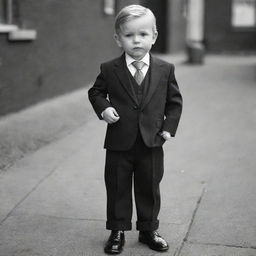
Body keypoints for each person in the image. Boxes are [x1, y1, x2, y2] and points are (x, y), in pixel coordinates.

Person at [88, 4, 182, 254]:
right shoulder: (110, 69)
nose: (136, 41)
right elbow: (96, 92)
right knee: (118, 186)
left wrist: (169, 127)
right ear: (118, 39)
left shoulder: (165, 69)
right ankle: (117, 230)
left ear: (154, 36)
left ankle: (148, 229)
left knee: (149, 186)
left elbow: (174, 102)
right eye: (129, 35)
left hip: (151, 141)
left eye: (143, 34)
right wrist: (104, 108)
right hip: (119, 141)